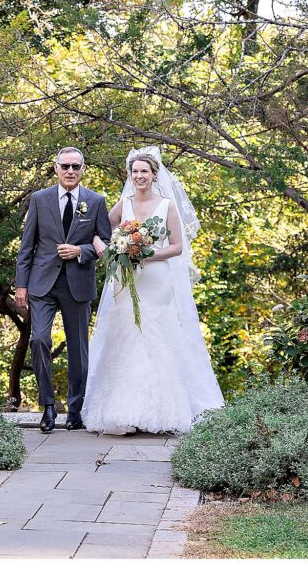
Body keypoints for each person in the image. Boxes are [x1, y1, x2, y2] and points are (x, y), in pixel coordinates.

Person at [84, 146, 224, 435]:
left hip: (157, 279)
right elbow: (100, 229)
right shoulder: (123, 204)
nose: (139, 176)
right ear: (130, 175)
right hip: (127, 279)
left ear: (154, 174)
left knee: (156, 334)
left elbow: (177, 246)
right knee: (127, 336)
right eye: (134, 172)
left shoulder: (167, 206)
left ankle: (162, 410)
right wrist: (108, 246)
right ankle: (125, 411)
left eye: (144, 172)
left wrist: (147, 254)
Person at [15, 147, 112, 433]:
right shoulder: (39, 199)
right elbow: (27, 246)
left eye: (76, 167)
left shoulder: (95, 201)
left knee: (78, 350)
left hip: (77, 284)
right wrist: (21, 284)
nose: (70, 171)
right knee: (40, 340)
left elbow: (106, 243)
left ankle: (75, 410)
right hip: (42, 283)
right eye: (65, 166)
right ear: (56, 168)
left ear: (83, 170)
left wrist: (80, 250)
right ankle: (47, 407)